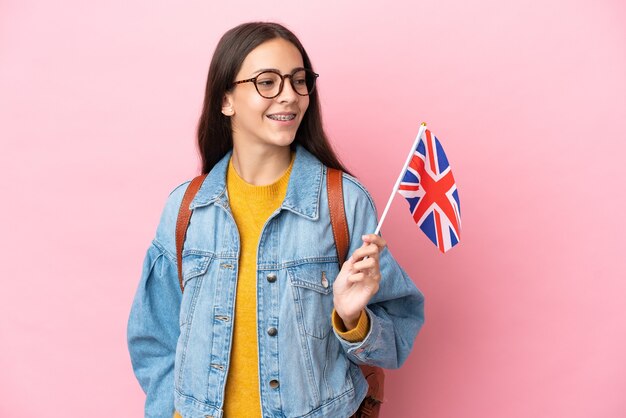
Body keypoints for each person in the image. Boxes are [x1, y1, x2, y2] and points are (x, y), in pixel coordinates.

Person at [127, 22, 425, 418]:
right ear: (226, 99)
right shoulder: (186, 208)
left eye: (299, 81)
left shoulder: (344, 203)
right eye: (267, 81)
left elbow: (396, 338)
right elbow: (155, 339)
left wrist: (353, 319)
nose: (290, 95)